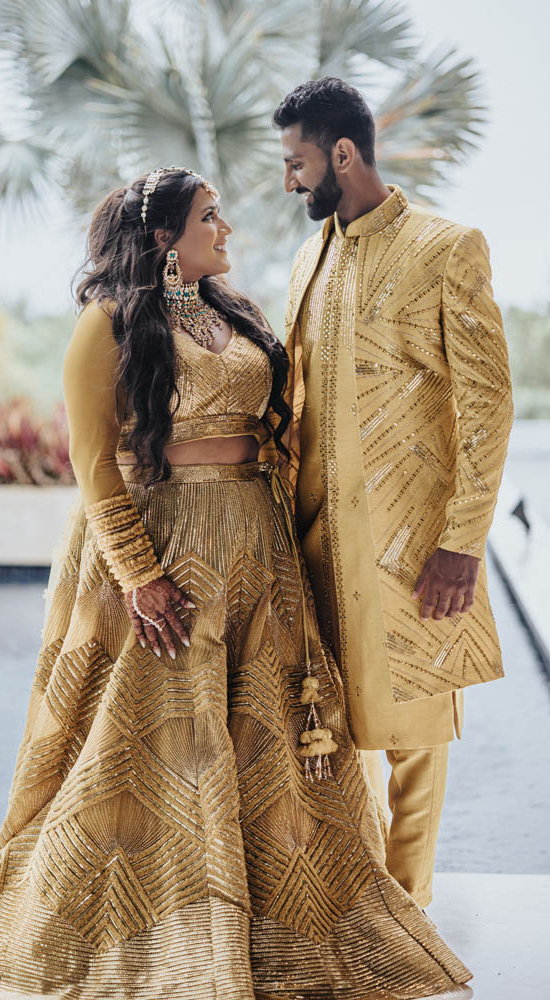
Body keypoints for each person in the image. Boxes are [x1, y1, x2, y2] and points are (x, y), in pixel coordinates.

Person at [0, 167, 473, 999]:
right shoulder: (107, 323)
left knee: (259, 738)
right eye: (211, 217)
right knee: (151, 740)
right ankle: (148, 920)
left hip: (252, 545)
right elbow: (92, 465)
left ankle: (276, 923)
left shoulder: (233, 314)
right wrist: (139, 575)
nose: (227, 229)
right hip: (159, 549)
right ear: (164, 236)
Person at [273, 77, 514, 910]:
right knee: (326, 728)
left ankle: (408, 912)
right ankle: (351, 907)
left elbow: (487, 403)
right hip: (310, 537)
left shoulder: (446, 246)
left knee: (413, 730)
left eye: (297, 162)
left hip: (410, 541)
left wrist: (462, 542)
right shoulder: (310, 256)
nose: (289, 181)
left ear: (343, 153)